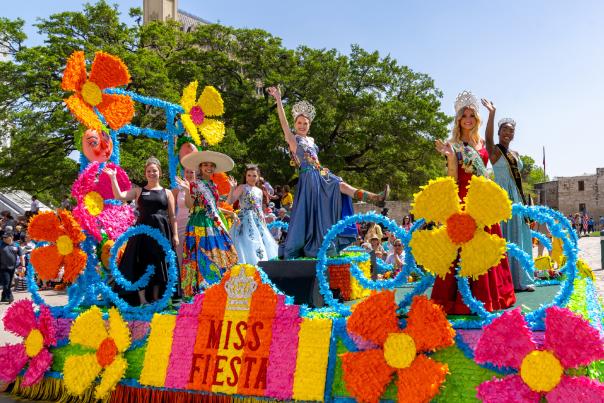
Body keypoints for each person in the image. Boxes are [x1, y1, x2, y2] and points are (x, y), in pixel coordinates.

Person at [268, 86, 388, 258]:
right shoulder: (293, 139)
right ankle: (310, 244)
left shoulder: (311, 140)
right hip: (308, 179)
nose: (302, 126)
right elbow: (283, 124)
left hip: (321, 174)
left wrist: (324, 172)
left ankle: (375, 198)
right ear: (295, 124)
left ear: (310, 125)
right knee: (311, 215)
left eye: (305, 123)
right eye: (299, 123)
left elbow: (316, 161)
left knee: (343, 185)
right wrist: (279, 100)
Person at [432, 90, 516, 315]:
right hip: (463, 198)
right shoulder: (453, 144)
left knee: (486, 245)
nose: (468, 119)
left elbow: (486, 166)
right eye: (464, 115)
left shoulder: (480, 142)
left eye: (471, 115)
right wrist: (450, 157)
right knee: (461, 247)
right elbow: (453, 177)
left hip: (482, 198)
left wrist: (492, 114)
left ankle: (490, 295)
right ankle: (458, 299)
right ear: (458, 120)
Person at [104, 157, 178, 306]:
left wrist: (175, 234)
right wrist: (113, 178)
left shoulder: (168, 192)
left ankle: (157, 298)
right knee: (141, 263)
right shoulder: (139, 191)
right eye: (149, 171)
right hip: (142, 233)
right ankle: (143, 299)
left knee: (159, 263)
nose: (152, 173)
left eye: (154, 170)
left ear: (160, 173)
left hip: (162, 233)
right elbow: (119, 196)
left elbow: (172, 215)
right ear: (145, 174)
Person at [483, 102, 535, 292]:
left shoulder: (516, 154)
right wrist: (492, 114)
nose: (508, 133)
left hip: (518, 199)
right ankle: (505, 281)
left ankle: (522, 279)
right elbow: (487, 137)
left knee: (521, 236)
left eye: (511, 130)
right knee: (505, 237)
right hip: (503, 199)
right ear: (499, 132)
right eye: (504, 129)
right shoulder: (495, 151)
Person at [176, 150, 238, 297]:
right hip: (199, 223)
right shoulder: (195, 184)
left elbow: (215, 207)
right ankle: (201, 291)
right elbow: (190, 205)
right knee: (201, 255)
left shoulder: (212, 185)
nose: (208, 168)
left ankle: (219, 286)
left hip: (213, 223)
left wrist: (230, 207)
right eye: (205, 165)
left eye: (211, 165)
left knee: (224, 251)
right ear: (200, 167)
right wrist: (186, 189)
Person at [227, 164, 279, 265]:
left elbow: (259, 207)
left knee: (260, 242)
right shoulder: (242, 187)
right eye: (249, 175)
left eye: (254, 175)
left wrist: (262, 218)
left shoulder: (259, 191)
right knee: (246, 242)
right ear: (245, 177)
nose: (251, 178)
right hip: (244, 221)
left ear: (258, 177)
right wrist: (232, 188)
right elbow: (230, 201)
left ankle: (260, 265)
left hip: (257, 221)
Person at [172, 168, 196, 267]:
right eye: (187, 172)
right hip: (180, 225)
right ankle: (180, 280)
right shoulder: (177, 190)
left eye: (192, 172)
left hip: (195, 224)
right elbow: (170, 210)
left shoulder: (199, 189)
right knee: (180, 253)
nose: (189, 174)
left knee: (194, 253)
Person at [0, 232, 24, 303]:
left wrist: (23, 266)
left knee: (9, 284)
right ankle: (10, 297)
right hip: (3, 268)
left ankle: (3, 297)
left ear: (11, 237)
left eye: (6, 237)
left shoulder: (16, 245)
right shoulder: (1, 245)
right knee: (6, 284)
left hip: (12, 268)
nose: (4, 238)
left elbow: (21, 257)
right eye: (3, 237)